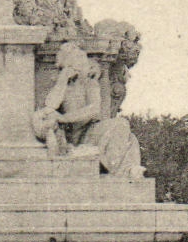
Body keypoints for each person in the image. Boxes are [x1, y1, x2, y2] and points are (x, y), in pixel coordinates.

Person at [31, 42, 144, 177]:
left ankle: (120, 171)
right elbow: (50, 105)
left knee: (123, 127)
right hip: (70, 137)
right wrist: (62, 80)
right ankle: (118, 171)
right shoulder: (60, 83)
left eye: (79, 59)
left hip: (89, 132)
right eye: (74, 60)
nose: (78, 64)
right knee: (123, 129)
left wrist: (64, 118)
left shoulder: (90, 83)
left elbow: (94, 109)